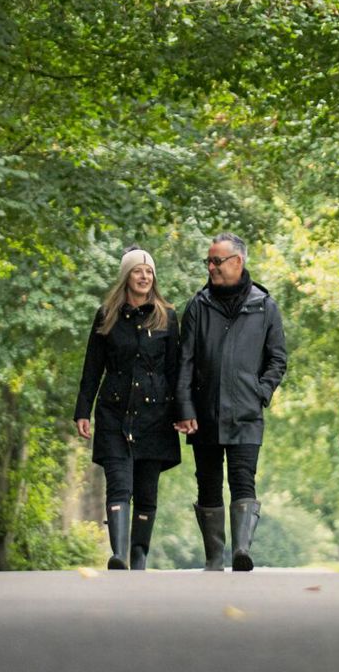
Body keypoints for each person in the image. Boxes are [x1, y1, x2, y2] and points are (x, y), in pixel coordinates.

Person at [175, 231, 288, 572]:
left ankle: (241, 551)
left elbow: (277, 359)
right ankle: (213, 557)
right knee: (207, 482)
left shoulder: (264, 306)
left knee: (243, 479)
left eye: (217, 261)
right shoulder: (197, 305)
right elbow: (185, 361)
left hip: (246, 412)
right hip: (204, 412)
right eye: (208, 261)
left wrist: (261, 392)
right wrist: (184, 407)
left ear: (238, 262)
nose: (211, 267)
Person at [72, 247, 181, 570]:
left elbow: (175, 370)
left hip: (156, 416)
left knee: (146, 491)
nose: (144, 276)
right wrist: (82, 410)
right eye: (138, 271)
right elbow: (92, 367)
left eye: (149, 272)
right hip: (114, 414)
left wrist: (183, 412)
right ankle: (118, 554)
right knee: (119, 483)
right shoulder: (106, 315)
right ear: (126, 276)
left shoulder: (167, 316)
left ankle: (139, 556)